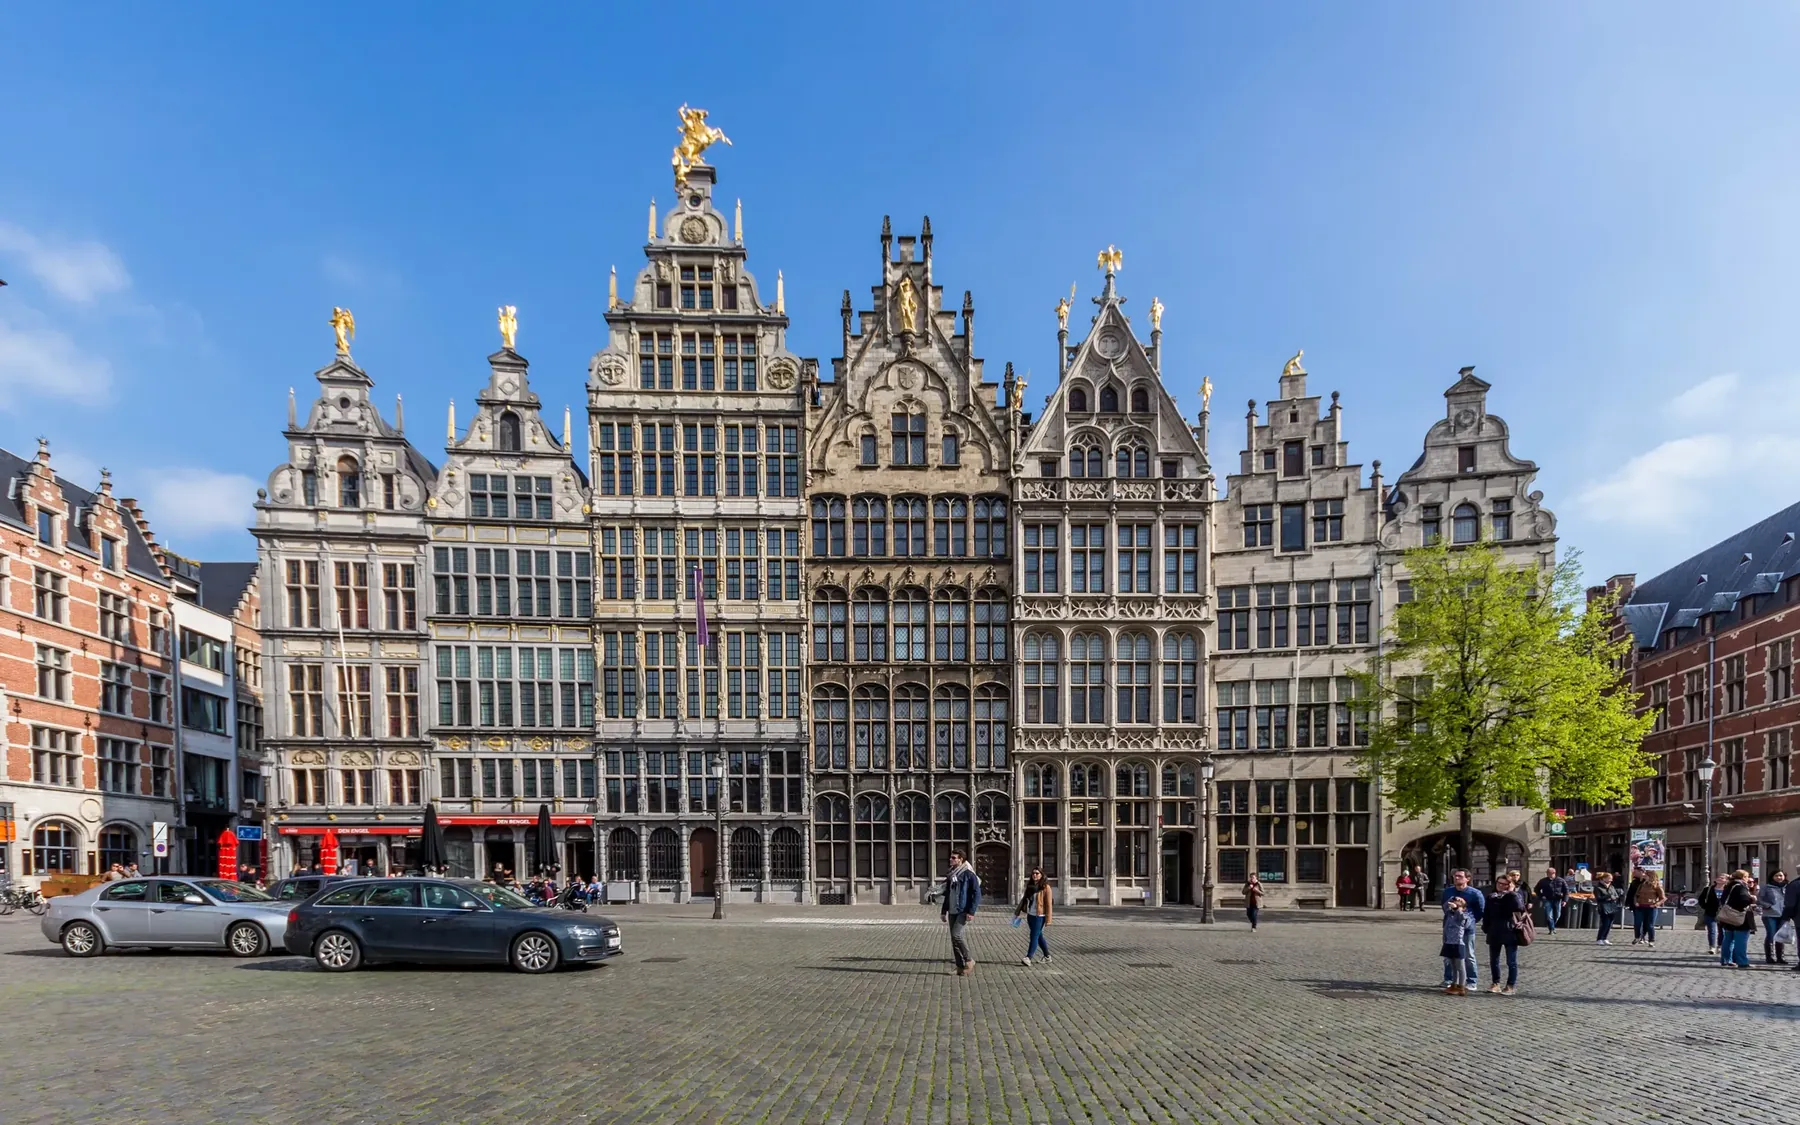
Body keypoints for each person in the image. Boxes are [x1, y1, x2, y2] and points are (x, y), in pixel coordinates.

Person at [940, 848, 981, 976]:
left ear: (960, 859)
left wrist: (971, 911)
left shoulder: (969, 874)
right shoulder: (951, 874)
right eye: (951, 857)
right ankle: (959, 966)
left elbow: (976, 894)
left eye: (953, 858)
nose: (950, 859)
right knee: (953, 938)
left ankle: (969, 960)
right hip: (952, 910)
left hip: (963, 910)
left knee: (957, 935)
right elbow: (948, 894)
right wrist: (943, 911)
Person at [1441, 869, 1485, 990]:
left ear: (1467, 879)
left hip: (1467, 928)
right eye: (1455, 876)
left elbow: (1480, 910)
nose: (1456, 878)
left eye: (1460, 876)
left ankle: (1471, 981)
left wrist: (1468, 921)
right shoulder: (1448, 891)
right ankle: (1449, 980)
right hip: (1449, 928)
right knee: (1448, 955)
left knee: (1468, 954)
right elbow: (1444, 907)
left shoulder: (1475, 893)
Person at [1483, 872, 1526, 994]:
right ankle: (1495, 983)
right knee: (1494, 960)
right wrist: (1486, 928)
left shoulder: (1513, 896)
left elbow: (1520, 908)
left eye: (1504, 884)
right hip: (1494, 931)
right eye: (1499, 883)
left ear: (1510, 885)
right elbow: (1487, 914)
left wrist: (1512, 892)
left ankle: (1510, 985)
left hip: (1510, 931)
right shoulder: (1491, 897)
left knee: (1511, 961)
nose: (1501, 886)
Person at [1718, 869, 1757, 969]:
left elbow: (1723, 899)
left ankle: (1726, 959)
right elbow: (1743, 901)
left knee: (1728, 939)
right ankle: (1742, 961)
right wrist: (1752, 899)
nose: (1748, 879)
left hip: (1728, 917)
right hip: (1740, 917)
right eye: (1747, 877)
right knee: (1741, 940)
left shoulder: (1729, 885)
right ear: (1743, 877)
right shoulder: (1740, 887)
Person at [1014, 867, 1053, 966]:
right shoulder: (1030, 887)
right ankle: (1047, 956)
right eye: (1033, 873)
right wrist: (1018, 912)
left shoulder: (1046, 887)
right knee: (1038, 936)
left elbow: (1049, 904)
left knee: (1033, 936)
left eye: (1037, 873)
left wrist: (1048, 919)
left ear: (1041, 875)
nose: (1035, 875)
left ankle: (1028, 957)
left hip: (1040, 916)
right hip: (1030, 915)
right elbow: (1024, 900)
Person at [1441, 895, 1470, 996]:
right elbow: (1445, 907)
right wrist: (1451, 898)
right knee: (1453, 966)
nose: (1456, 902)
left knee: (1460, 966)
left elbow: (1461, 918)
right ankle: (1454, 984)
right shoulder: (1449, 914)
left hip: (1458, 944)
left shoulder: (1464, 915)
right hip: (1449, 942)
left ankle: (1461, 986)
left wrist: (1458, 908)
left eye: (1460, 901)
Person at [1757, 871, 1787, 964]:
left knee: (1781, 935)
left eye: (1781, 875)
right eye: (1776, 875)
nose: (1779, 877)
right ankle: (1769, 957)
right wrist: (1767, 905)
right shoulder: (1766, 887)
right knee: (1771, 934)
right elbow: (1759, 900)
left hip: (1783, 914)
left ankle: (1780, 957)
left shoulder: (1788, 887)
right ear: (1772, 877)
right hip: (1770, 914)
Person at [1630, 869, 1666, 945]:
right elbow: (1636, 895)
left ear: (1650, 876)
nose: (1644, 876)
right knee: (1637, 923)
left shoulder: (1657, 886)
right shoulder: (1642, 885)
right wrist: (1636, 902)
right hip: (1640, 907)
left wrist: (1656, 904)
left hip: (1651, 908)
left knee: (1650, 925)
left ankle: (1651, 940)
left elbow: (1663, 898)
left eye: (1646, 875)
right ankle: (1637, 937)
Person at [1698, 873, 1728, 956]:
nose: (1719, 879)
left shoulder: (1728, 890)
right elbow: (1701, 899)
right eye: (1718, 877)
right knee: (1712, 930)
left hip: (1724, 913)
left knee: (1722, 931)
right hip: (1710, 913)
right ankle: (1712, 947)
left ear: (1726, 881)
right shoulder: (1708, 889)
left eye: (1722, 878)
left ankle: (1720, 946)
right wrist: (1705, 906)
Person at [1533, 867, 1568, 937]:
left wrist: (1565, 900)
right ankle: (1551, 929)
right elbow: (1536, 889)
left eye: (1549, 873)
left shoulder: (1561, 880)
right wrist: (1541, 896)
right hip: (1547, 899)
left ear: (1554, 873)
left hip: (1558, 899)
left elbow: (1566, 891)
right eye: (1547, 873)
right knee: (1549, 915)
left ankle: (1552, 926)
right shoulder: (1543, 881)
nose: (1548, 874)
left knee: (1557, 915)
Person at [1592, 871, 1622, 945]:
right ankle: (1599, 938)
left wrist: (1613, 897)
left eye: (1611, 879)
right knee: (1605, 923)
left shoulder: (1611, 887)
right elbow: (1598, 898)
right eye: (1609, 879)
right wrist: (1608, 897)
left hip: (1612, 906)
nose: (1610, 880)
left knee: (1609, 924)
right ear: (1604, 879)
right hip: (1603, 907)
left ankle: (1605, 938)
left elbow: (1616, 895)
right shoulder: (1598, 887)